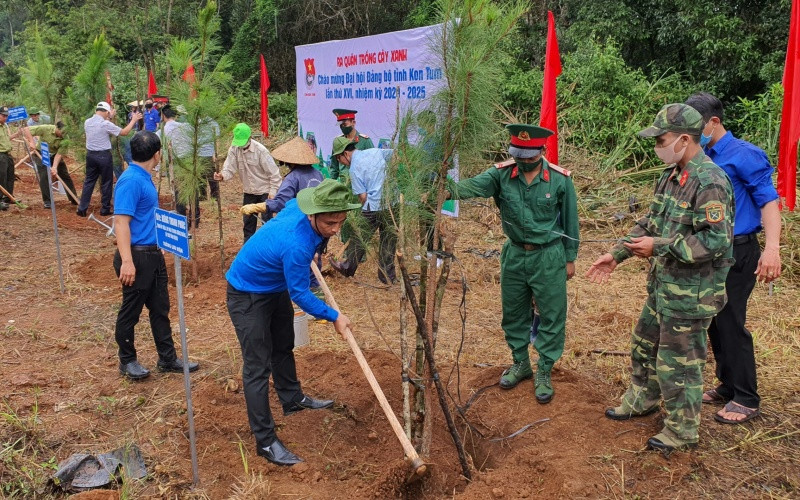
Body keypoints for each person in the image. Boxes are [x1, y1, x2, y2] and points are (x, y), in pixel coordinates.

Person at [587, 103, 734, 454]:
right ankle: (643, 399)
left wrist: (660, 246)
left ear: (685, 139)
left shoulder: (710, 181)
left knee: (680, 364)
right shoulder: (671, 175)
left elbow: (716, 240)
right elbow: (650, 223)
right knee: (644, 344)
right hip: (663, 286)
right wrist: (617, 253)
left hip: (692, 294)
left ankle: (682, 431)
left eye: (661, 139)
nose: (657, 146)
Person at [225, 179, 359, 465]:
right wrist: (335, 316)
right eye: (330, 223)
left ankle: (292, 398)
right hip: (247, 293)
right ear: (313, 215)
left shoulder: (302, 205)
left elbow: (288, 203)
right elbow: (300, 293)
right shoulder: (297, 244)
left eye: (341, 221)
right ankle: (266, 441)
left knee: (283, 345)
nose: (336, 229)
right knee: (257, 367)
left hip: (273, 287)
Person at [448, 124, 579, 404]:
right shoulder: (501, 174)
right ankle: (521, 363)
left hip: (549, 255)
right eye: (518, 155)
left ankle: (544, 369)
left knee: (552, 315)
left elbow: (571, 223)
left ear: (542, 151)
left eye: (530, 156)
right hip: (515, 254)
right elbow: (468, 188)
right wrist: (443, 187)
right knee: (513, 312)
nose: (524, 161)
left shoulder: (559, 180)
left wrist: (570, 258)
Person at [686, 92, 781, 424]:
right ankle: (727, 385)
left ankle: (746, 397)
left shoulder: (745, 155)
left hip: (738, 250)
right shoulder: (703, 155)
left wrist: (772, 249)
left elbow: (769, 201)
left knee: (730, 321)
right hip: (711, 249)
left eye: (696, 125)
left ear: (714, 121)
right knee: (713, 319)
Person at [113, 131, 199, 380]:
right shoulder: (131, 180)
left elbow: (144, 215)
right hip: (137, 258)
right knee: (131, 310)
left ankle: (167, 357)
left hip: (152, 254)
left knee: (160, 308)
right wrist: (127, 261)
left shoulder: (143, 177)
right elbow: (121, 222)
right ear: (157, 154)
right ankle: (127, 361)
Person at [328, 138, 397, 284]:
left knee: (360, 238)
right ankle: (387, 277)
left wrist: (363, 210)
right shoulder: (376, 152)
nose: (341, 163)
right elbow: (395, 156)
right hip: (392, 203)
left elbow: (363, 196)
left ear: (346, 153)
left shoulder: (354, 169)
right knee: (389, 240)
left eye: (340, 159)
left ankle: (347, 267)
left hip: (372, 206)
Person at [213, 123, 281, 242]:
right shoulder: (234, 149)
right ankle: (248, 248)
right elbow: (229, 168)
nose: (241, 145)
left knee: (267, 223)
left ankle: (268, 248)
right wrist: (222, 176)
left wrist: (273, 192)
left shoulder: (261, 151)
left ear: (250, 138)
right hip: (249, 192)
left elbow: (274, 174)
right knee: (248, 223)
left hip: (265, 191)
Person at [77, 101, 141, 217]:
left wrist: (109, 117)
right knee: (107, 182)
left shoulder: (87, 122)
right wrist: (134, 120)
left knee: (89, 182)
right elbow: (124, 132)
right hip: (104, 156)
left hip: (90, 155)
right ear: (106, 112)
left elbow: (103, 125)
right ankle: (105, 209)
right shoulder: (105, 124)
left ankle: (82, 208)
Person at [22, 121, 80, 207]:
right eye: (62, 132)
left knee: (64, 175)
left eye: (65, 133)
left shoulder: (65, 139)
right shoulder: (46, 128)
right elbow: (26, 129)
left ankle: (74, 198)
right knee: (44, 176)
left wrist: (55, 167)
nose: (63, 135)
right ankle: (47, 202)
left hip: (54, 155)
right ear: (57, 128)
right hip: (41, 154)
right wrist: (32, 142)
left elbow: (59, 154)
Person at [160, 106, 200, 229]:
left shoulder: (164, 129)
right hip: (190, 160)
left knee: (179, 191)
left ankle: (182, 219)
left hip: (177, 162)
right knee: (192, 189)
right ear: (175, 115)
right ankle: (196, 218)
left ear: (163, 116)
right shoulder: (185, 126)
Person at [328, 109, 374, 181]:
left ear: (353, 122)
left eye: (345, 124)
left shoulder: (365, 141)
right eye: (340, 125)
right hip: (343, 185)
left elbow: (372, 164)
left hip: (360, 184)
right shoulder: (338, 142)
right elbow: (334, 168)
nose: (342, 127)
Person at [197, 115, 220, 201]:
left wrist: (215, 153)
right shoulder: (197, 122)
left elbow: (217, 139)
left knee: (212, 176)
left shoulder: (213, 123)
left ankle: (215, 195)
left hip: (209, 153)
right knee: (200, 176)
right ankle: (203, 195)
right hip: (199, 153)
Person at [0, 106, 15, 210]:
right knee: (2, 178)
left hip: (8, 154)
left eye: (6, 116)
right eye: (3, 116)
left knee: (10, 177)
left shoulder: (4, 126)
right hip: (0, 155)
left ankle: (8, 197)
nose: (5, 118)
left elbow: (7, 138)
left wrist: (17, 134)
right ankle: (0, 200)